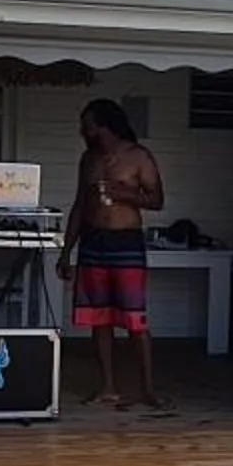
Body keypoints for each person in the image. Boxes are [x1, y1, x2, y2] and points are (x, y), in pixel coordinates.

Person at [57, 98, 164, 408]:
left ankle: (148, 390)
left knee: (135, 320)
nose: (82, 130)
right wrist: (67, 252)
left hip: (126, 243)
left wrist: (127, 193)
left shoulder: (138, 157)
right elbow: (79, 205)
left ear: (102, 126)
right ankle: (108, 386)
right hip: (93, 243)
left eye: (86, 124)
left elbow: (157, 200)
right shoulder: (88, 159)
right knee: (98, 318)